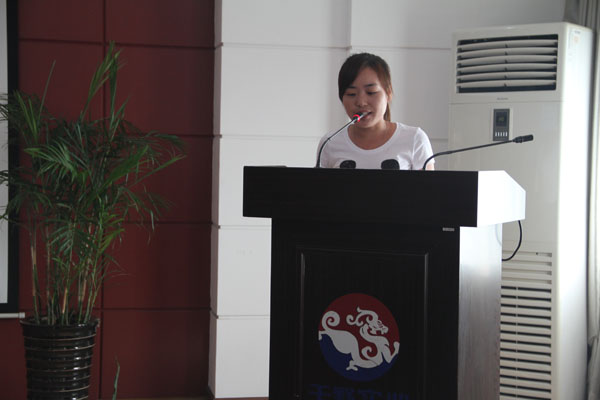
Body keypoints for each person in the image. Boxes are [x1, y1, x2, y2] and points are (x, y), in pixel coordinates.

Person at [317, 53, 435, 170]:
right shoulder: (330, 143)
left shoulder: (414, 139)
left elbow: (428, 183)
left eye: (371, 92)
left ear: (388, 93)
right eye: (351, 94)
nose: (361, 102)